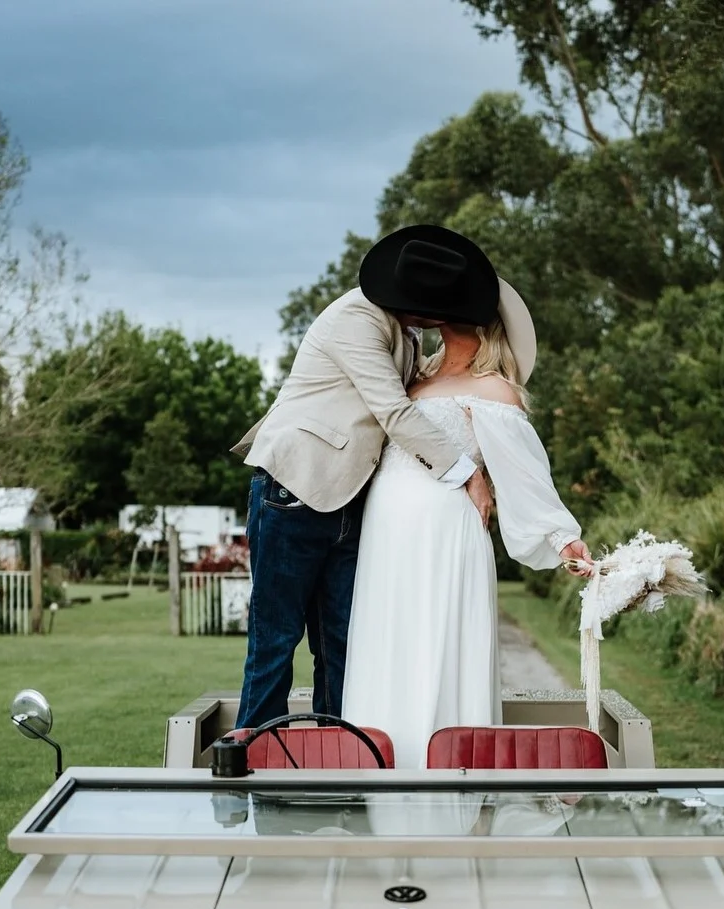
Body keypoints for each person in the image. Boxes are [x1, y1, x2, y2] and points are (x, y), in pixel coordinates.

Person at [231, 224, 497, 730]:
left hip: (351, 499)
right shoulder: (356, 319)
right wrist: (469, 473)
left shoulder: (408, 333)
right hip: (294, 488)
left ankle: (341, 755)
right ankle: (255, 757)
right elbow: (395, 412)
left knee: (342, 643)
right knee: (276, 639)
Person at [342, 279, 593, 768]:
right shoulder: (412, 379)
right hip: (385, 536)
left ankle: (442, 779)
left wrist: (564, 539)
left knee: (437, 652)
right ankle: (379, 775)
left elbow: (525, 478)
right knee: (387, 648)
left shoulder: (494, 390)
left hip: (444, 536)